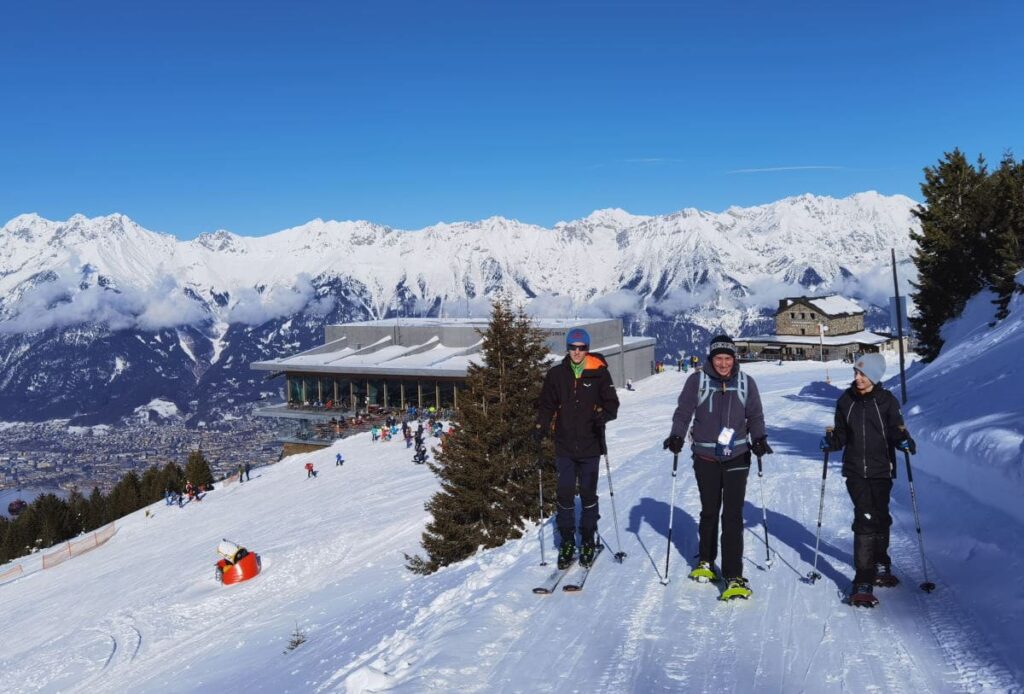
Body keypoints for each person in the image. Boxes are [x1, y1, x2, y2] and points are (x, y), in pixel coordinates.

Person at [663, 334, 769, 601]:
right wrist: (677, 434)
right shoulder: (697, 380)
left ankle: (734, 574)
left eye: (728, 358)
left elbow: (755, 414)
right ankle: (706, 560)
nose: (723, 364)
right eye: (719, 358)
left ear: (735, 359)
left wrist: (759, 438)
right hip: (706, 457)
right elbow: (684, 411)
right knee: (710, 511)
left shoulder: (746, 383)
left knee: (732, 515)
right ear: (711, 359)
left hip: (738, 455)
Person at [820, 352, 915, 605]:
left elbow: (896, 430)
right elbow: (841, 436)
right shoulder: (845, 401)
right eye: (855, 372)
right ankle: (863, 577)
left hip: (881, 469)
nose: (857, 378)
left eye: (862, 374)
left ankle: (881, 563)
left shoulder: (886, 401)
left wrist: (905, 442)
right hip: (855, 471)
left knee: (881, 515)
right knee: (865, 517)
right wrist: (831, 442)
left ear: (874, 376)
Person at [534, 327, 619, 570]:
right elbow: (546, 405)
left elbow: (612, 403)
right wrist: (540, 426)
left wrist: (604, 415)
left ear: (587, 349)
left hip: (591, 444)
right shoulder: (556, 375)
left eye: (581, 348)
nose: (577, 352)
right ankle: (568, 541)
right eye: (573, 347)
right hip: (564, 445)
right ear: (568, 348)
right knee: (565, 492)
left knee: (589, 494)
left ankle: (588, 538)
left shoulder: (599, 373)